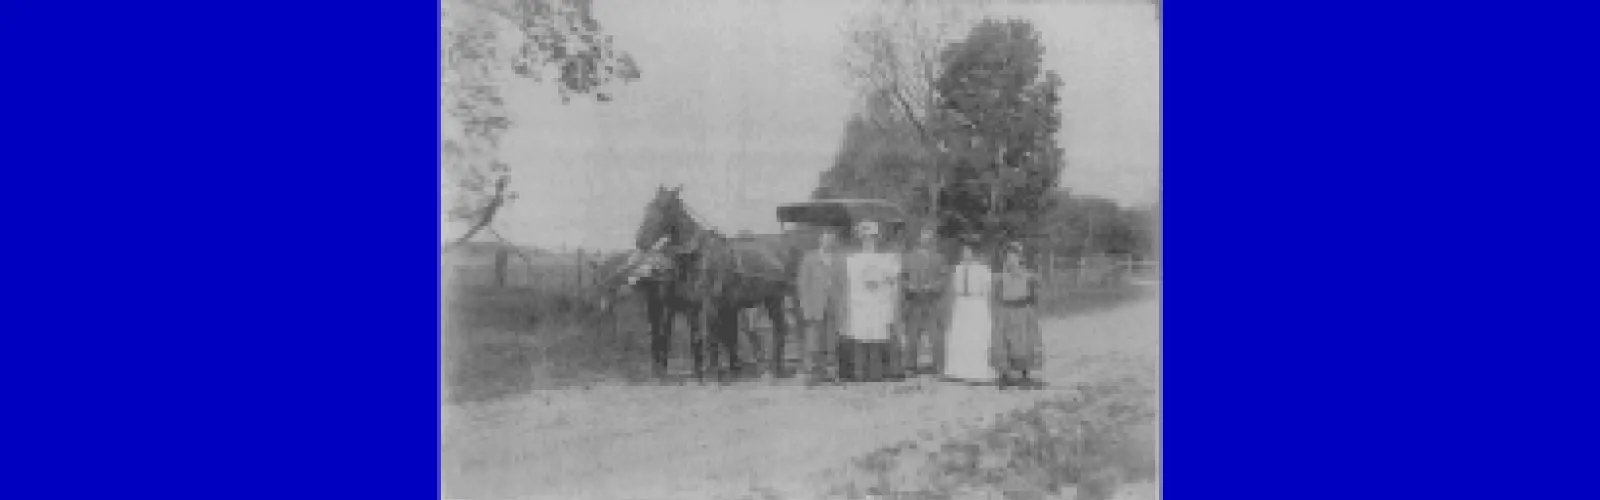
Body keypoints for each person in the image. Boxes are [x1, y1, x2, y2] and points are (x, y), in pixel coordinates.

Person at [841, 220, 900, 382]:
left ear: (878, 239)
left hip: (878, 303)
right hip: (859, 304)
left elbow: (892, 278)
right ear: (860, 239)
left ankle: (875, 373)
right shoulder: (852, 259)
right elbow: (848, 282)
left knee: (876, 338)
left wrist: (880, 278)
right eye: (865, 238)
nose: (869, 241)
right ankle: (859, 373)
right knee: (860, 338)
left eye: (872, 238)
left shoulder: (887, 258)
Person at [992, 241, 1044, 389]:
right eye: (1008, 257)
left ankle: (1024, 375)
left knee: (1023, 343)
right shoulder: (1000, 277)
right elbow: (997, 295)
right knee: (1002, 343)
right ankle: (1004, 375)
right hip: (1005, 312)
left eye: (1014, 257)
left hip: (1022, 312)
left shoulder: (1029, 277)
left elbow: (1035, 297)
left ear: (1020, 259)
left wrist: (1029, 310)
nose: (1011, 260)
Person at [943, 241, 996, 383]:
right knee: (959, 336)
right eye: (963, 251)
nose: (965, 254)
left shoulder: (983, 269)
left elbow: (988, 291)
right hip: (961, 304)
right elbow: (954, 289)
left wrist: (988, 310)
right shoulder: (958, 269)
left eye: (968, 251)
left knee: (975, 337)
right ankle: (956, 371)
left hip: (976, 303)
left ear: (974, 253)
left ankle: (977, 371)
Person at [797, 228, 845, 385]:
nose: (828, 242)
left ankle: (831, 373)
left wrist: (842, 305)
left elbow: (843, 284)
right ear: (820, 240)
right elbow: (803, 285)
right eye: (825, 239)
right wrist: (805, 307)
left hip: (833, 305)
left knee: (832, 341)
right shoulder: (809, 258)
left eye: (831, 239)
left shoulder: (839, 259)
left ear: (834, 242)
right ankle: (811, 374)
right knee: (813, 341)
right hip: (815, 306)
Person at [901, 226, 949, 378]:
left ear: (933, 239)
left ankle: (939, 366)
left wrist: (933, 286)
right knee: (912, 336)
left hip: (932, 302)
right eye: (923, 236)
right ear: (918, 238)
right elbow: (902, 277)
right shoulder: (908, 257)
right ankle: (910, 366)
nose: (926, 239)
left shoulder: (939, 258)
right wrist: (908, 286)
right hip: (914, 301)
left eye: (929, 236)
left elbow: (944, 278)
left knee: (936, 336)